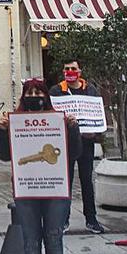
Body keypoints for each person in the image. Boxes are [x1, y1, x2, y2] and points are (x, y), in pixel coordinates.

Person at [0, 78, 81, 254]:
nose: (34, 96)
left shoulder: (60, 120)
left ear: (46, 95)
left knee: (54, 239)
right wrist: (3, 132)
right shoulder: (15, 121)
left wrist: (73, 129)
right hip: (27, 191)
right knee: (31, 243)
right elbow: (4, 156)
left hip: (55, 190)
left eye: (38, 92)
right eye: (29, 92)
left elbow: (74, 153)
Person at [49, 60, 105, 234]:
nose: (70, 71)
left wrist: (94, 133)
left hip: (86, 142)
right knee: (65, 182)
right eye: (67, 69)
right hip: (64, 143)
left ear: (80, 71)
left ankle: (91, 219)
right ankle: (63, 220)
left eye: (73, 68)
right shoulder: (56, 91)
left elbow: (97, 112)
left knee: (87, 180)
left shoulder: (91, 90)